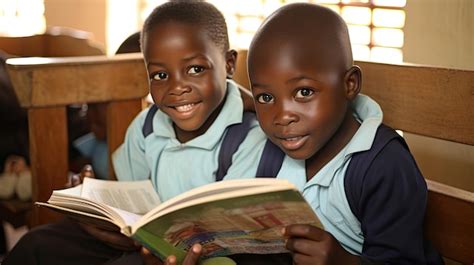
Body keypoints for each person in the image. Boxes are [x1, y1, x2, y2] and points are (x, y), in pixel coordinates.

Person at [164, 3, 444, 265]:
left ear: (349, 84)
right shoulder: (269, 150)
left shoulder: (383, 165)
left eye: (304, 92)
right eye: (265, 97)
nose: (282, 116)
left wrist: (344, 262)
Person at [2, 1, 267, 264]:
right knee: (37, 244)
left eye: (195, 69)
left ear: (229, 64)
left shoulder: (247, 138)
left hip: (208, 254)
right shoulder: (147, 125)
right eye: (160, 75)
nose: (177, 87)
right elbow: (129, 195)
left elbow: (232, 234)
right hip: (142, 241)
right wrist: (97, 205)